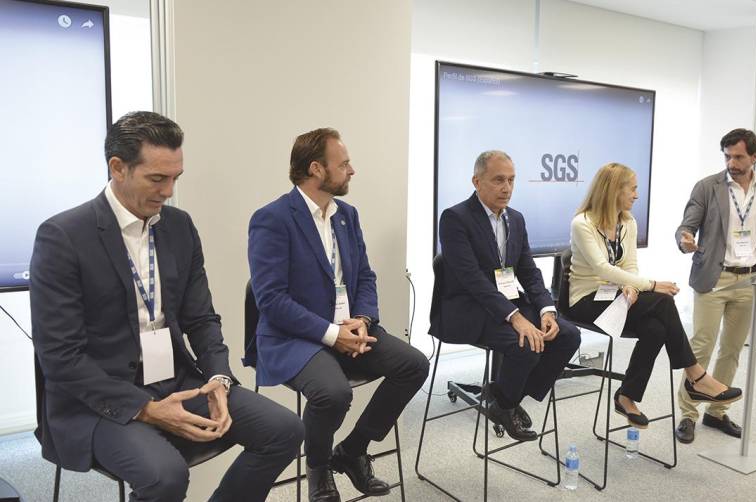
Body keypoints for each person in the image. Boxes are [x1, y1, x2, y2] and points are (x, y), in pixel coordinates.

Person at [30, 111, 304, 502]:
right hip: (97, 399)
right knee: (165, 476)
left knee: (286, 430)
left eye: (176, 177)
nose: (169, 190)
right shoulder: (62, 237)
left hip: (176, 382)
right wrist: (147, 409)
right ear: (118, 168)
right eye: (157, 178)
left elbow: (202, 318)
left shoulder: (178, 226)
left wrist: (218, 378)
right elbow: (60, 357)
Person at [247, 127, 429, 502]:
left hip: (348, 327)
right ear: (316, 169)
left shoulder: (347, 214)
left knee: (414, 364)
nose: (352, 170)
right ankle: (318, 468)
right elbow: (272, 301)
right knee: (333, 393)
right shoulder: (273, 219)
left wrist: (363, 319)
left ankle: (353, 449)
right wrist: (332, 334)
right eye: (344, 163)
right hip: (292, 337)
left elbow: (364, 275)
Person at [567, 163, 741, 429]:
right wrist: (651, 285)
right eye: (633, 188)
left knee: (656, 329)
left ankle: (626, 397)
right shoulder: (583, 223)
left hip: (617, 294)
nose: (636, 195)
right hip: (586, 299)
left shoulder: (628, 221)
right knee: (662, 299)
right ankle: (695, 376)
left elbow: (629, 266)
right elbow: (602, 268)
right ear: (614, 190)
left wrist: (633, 286)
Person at [432, 150, 581, 441]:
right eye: (499, 180)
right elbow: (473, 280)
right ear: (476, 181)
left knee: (567, 335)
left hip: (507, 302)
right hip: (467, 308)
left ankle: (505, 401)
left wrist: (546, 311)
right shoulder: (455, 218)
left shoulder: (516, 218)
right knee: (525, 345)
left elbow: (528, 270)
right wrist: (516, 318)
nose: (507, 188)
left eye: (511, 180)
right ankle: (506, 402)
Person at [674, 128, 756, 444]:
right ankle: (688, 414)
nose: (732, 162)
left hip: (751, 279)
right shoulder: (707, 187)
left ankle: (717, 411)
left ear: (755, 156)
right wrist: (685, 240)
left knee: (732, 349)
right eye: (727, 156)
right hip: (715, 278)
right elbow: (686, 228)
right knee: (701, 345)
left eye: (739, 156)